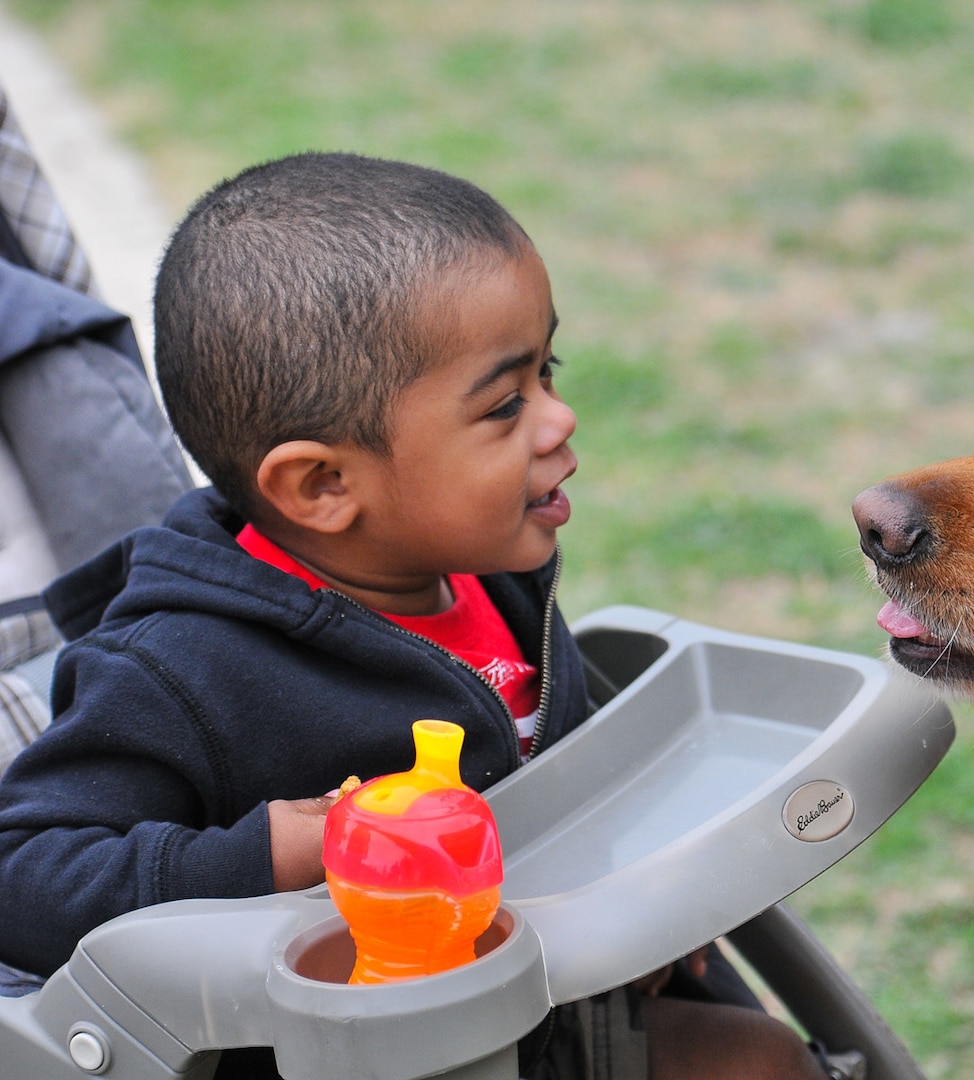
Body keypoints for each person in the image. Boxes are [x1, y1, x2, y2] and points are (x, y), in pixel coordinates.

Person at [0, 152, 826, 1080]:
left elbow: (580, 786)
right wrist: (270, 854)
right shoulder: (179, 667)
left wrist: (647, 900)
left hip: (541, 1008)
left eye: (548, 369)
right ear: (322, 486)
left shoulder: (491, 577)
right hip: (359, 1055)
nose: (559, 420)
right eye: (507, 403)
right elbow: (23, 873)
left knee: (763, 1060)